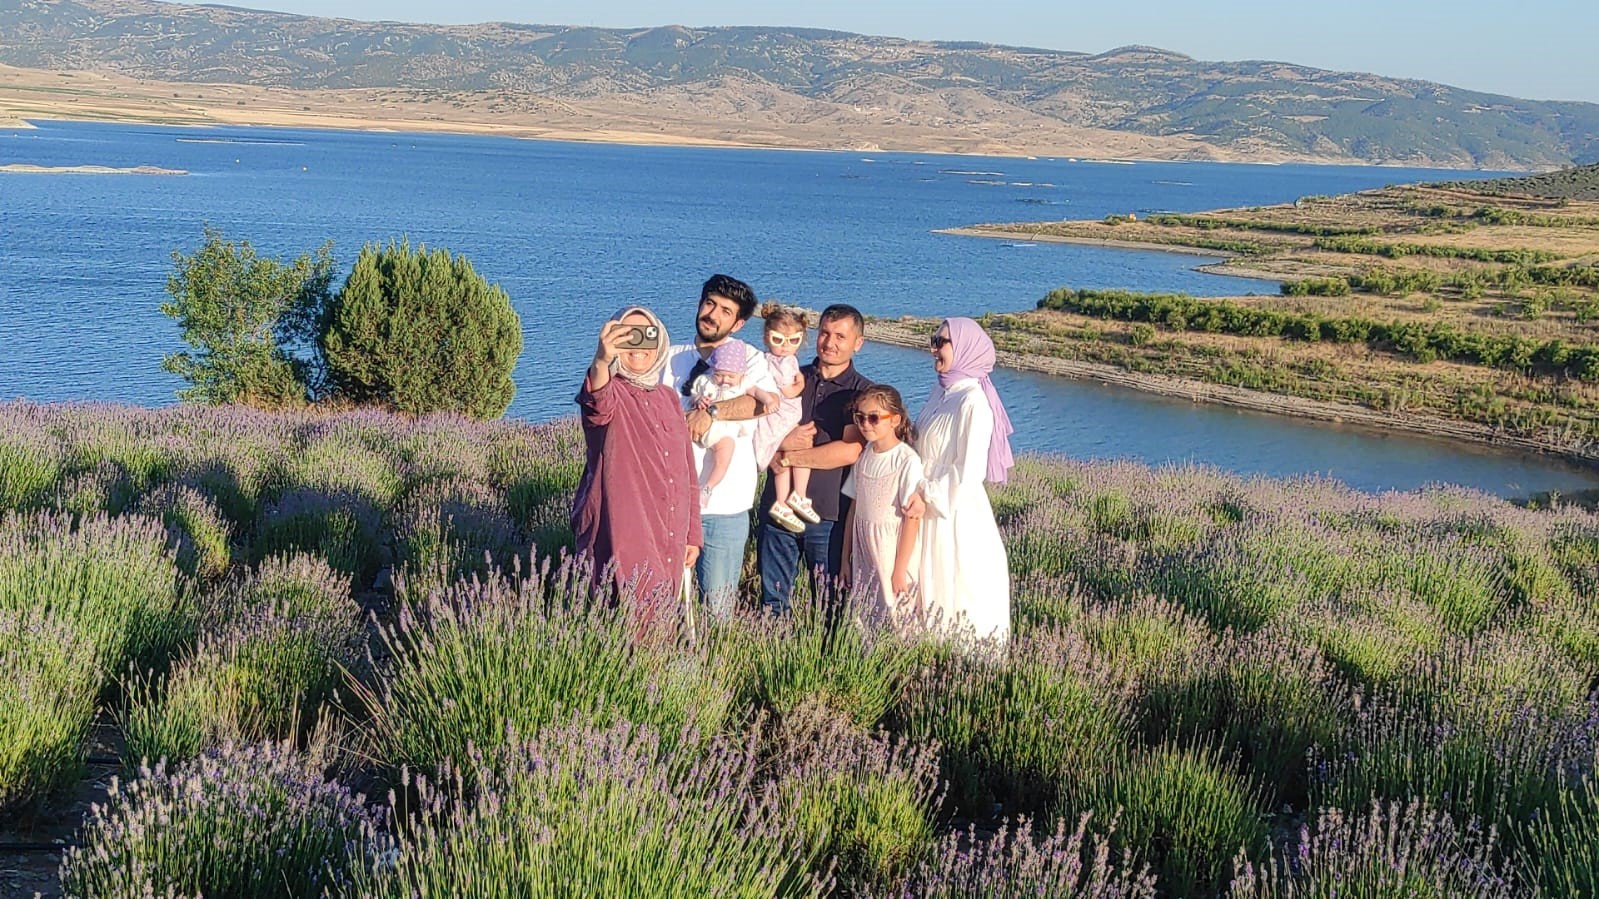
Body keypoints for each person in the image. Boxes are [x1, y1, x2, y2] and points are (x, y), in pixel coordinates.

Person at [570, 306, 703, 628]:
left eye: (647, 335)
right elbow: (597, 404)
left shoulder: (668, 397)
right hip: (624, 528)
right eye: (627, 336)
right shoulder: (611, 391)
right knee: (627, 620)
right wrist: (601, 361)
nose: (638, 345)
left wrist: (692, 534)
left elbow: (686, 470)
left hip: (669, 529)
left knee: (662, 618)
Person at [661, 274, 779, 618]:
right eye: (709, 304)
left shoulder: (750, 358)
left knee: (717, 608)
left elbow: (759, 404)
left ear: (738, 323)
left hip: (724, 506)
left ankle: (716, 654)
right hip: (669, 502)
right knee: (665, 604)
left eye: (725, 311)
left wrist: (711, 413)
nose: (712, 314)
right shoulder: (668, 357)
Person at [903, 317, 1014, 643]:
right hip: (922, 507)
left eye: (941, 342)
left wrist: (928, 495)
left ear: (965, 348)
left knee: (951, 589)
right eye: (933, 340)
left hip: (950, 514)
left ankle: (956, 664)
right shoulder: (941, 391)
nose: (933, 349)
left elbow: (969, 472)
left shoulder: (973, 402)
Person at [758, 304, 872, 614]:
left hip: (828, 516)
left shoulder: (862, 393)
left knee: (830, 607)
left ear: (858, 343)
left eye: (840, 336)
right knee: (773, 604)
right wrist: (779, 446)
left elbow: (849, 450)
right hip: (777, 509)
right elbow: (754, 428)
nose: (829, 343)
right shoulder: (790, 378)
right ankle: (771, 646)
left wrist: (787, 456)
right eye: (824, 333)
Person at [839, 384, 924, 631]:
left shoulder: (906, 460)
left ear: (895, 420)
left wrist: (900, 569)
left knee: (896, 614)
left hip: (891, 549)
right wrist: (845, 558)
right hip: (864, 547)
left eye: (874, 418)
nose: (866, 424)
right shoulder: (865, 455)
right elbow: (854, 509)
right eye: (860, 417)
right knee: (866, 615)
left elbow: (912, 520)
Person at [751, 303, 814, 533]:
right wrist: (801, 385)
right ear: (767, 337)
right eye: (778, 340)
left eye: (793, 340)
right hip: (784, 413)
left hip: (773, 414)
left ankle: (782, 500)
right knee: (801, 450)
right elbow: (788, 391)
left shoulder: (762, 359)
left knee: (783, 461)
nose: (786, 346)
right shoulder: (787, 362)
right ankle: (799, 494)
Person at [688, 340, 757, 504]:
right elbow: (693, 396)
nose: (724, 380)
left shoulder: (743, 384)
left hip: (723, 432)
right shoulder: (705, 381)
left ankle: (707, 487)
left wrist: (769, 400)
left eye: (731, 376)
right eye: (719, 375)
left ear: (741, 374)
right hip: (701, 430)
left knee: (724, 457)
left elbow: (757, 394)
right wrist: (698, 400)